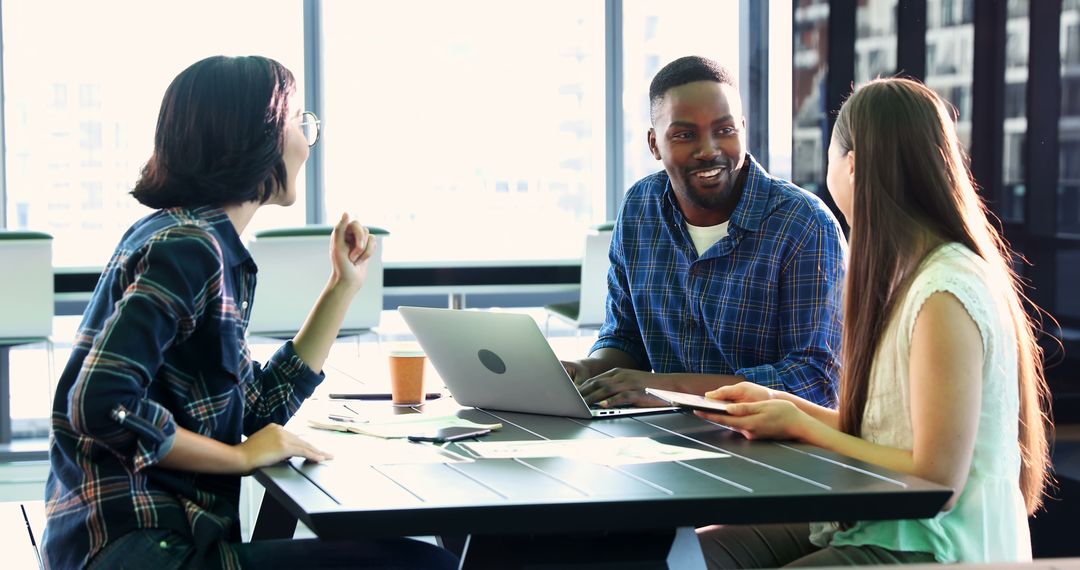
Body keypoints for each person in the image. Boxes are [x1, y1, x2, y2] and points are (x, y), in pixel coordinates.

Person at [41, 56, 457, 569]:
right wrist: (238, 458)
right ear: (256, 137)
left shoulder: (195, 240)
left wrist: (341, 287)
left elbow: (257, 408)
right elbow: (100, 402)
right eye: (300, 123)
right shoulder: (190, 249)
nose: (309, 141)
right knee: (424, 565)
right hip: (142, 548)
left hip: (138, 541)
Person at [694, 77, 1053, 566]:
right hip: (886, 522)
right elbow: (890, 433)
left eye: (829, 159)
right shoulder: (910, 273)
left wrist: (801, 422)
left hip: (936, 545)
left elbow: (936, 480)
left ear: (854, 165)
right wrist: (783, 406)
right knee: (698, 553)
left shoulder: (944, 291)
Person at [563, 56, 846, 408]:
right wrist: (585, 371)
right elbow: (625, 338)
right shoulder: (640, 208)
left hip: (771, 451)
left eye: (725, 131)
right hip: (663, 442)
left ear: (743, 128)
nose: (709, 150)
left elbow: (815, 380)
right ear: (654, 144)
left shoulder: (803, 224)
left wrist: (665, 388)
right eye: (685, 135)